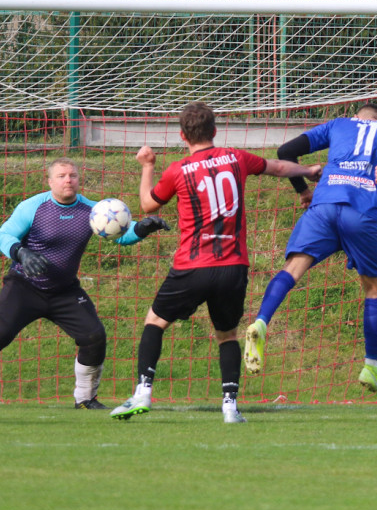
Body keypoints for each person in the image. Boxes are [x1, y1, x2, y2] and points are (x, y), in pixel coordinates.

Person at [109, 102, 321, 423]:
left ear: (182, 135)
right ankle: (230, 407)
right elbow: (278, 168)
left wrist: (147, 165)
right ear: (215, 131)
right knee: (227, 334)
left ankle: (142, 393)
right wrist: (308, 171)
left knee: (155, 321)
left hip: (192, 265)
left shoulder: (178, 170)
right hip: (233, 266)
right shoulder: (236, 158)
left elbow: (147, 205)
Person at [0, 158, 169, 409]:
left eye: (72, 175)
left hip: (64, 291)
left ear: (79, 179)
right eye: (61, 176)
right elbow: (3, 236)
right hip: (24, 286)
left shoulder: (92, 211)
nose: (68, 180)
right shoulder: (33, 207)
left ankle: (85, 399)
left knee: (94, 336)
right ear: (50, 181)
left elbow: (120, 234)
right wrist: (21, 253)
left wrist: (143, 229)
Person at [242, 103, 377, 397]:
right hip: (361, 211)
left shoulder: (338, 124)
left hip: (323, 207)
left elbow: (285, 152)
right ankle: (371, 365)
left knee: (291, 269)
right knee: (373, 289)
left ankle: (261, 321)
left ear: (357, 117)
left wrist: (303, 190)